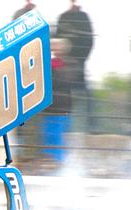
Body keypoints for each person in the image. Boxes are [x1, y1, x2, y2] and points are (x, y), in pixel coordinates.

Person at [55, 0, 94, 133]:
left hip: (78, 63)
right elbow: (57, 38)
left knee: (83, 94)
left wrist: (80, 59)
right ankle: (68, 128)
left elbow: (89, 41)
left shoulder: (84, 18)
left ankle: (89, 126)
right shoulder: (63, 17)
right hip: (62, 65)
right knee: (64, 95)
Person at [40, 38, 73, 164]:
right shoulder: (47, 63)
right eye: (52, 47)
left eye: (56, 46)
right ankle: (50, 161)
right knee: (48, 137)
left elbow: (63, 80)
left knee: (58, 137)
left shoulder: (69, 63)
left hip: (61, 109)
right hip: (48, 108)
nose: (54, 49)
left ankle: (60, 162)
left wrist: (53, 67)